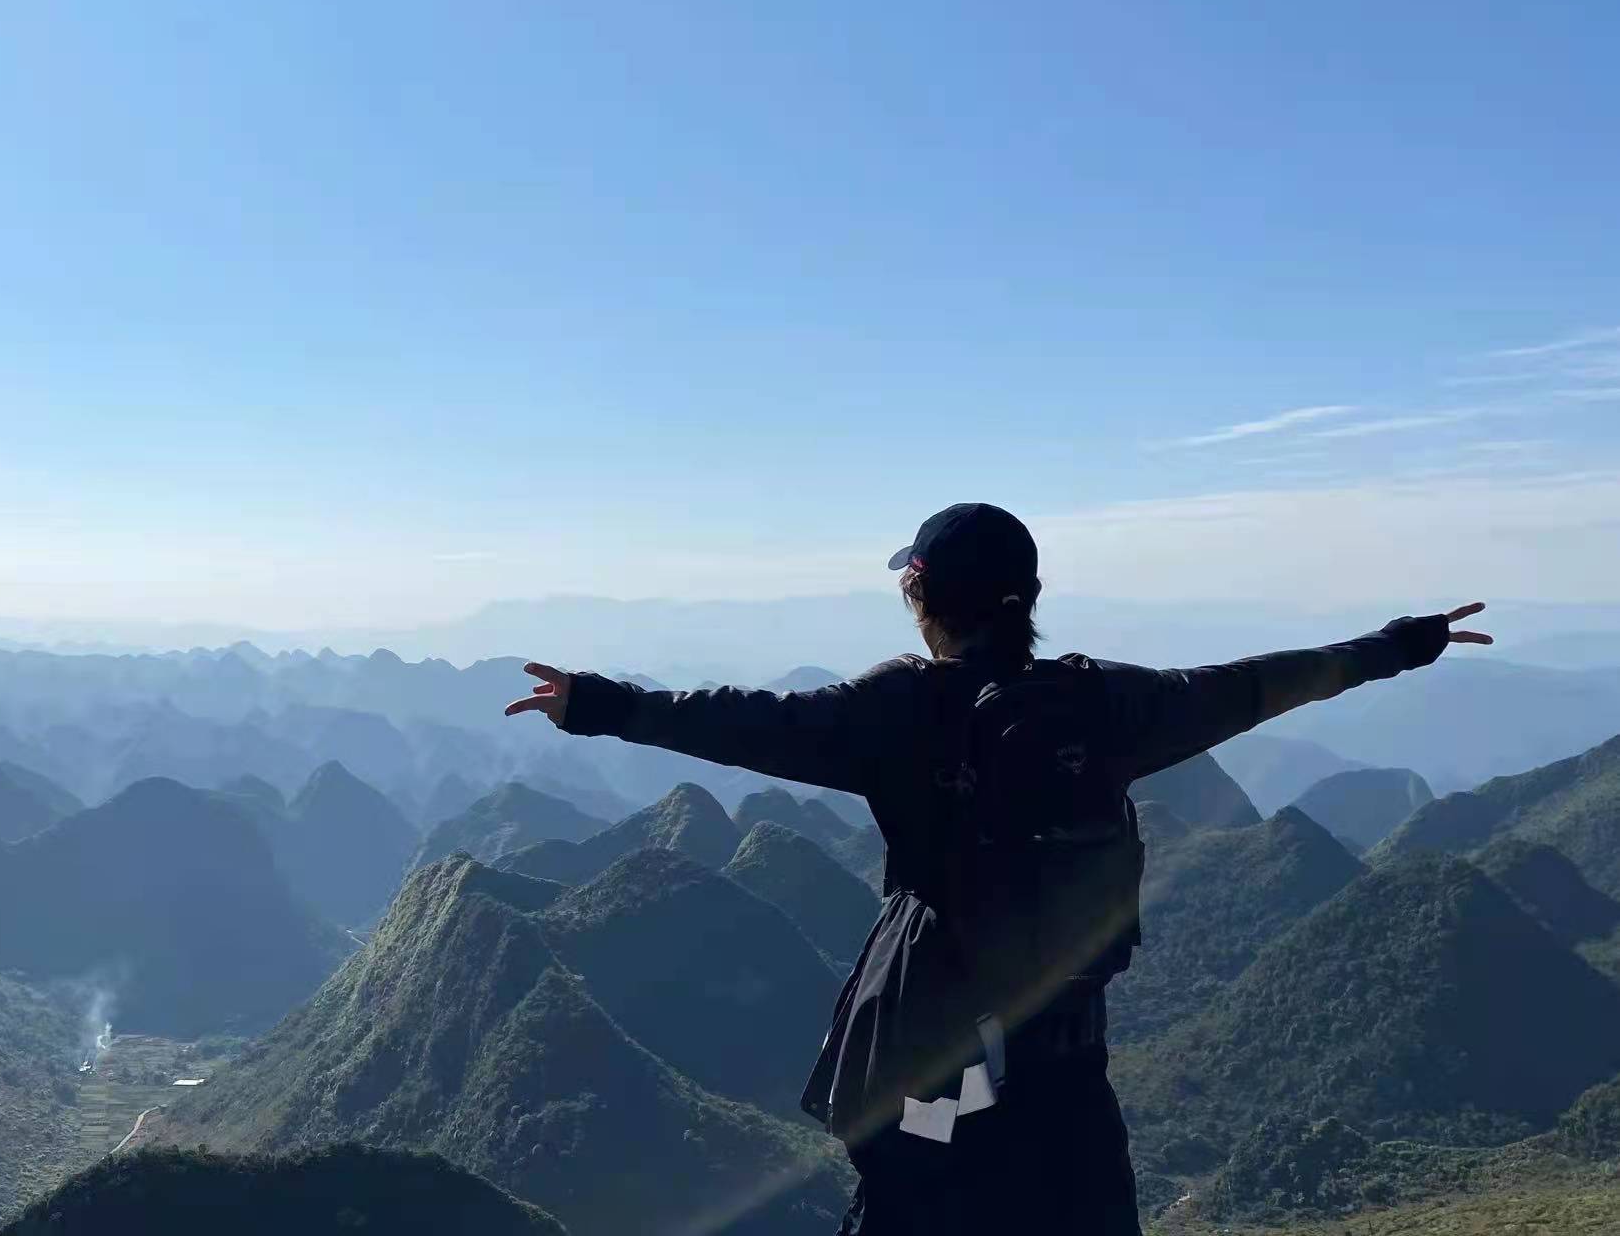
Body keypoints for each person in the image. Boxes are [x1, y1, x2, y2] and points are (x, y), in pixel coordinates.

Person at [502, 502, 1491, 1235]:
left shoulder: (899, 709)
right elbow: (1261, 684)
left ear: (922, 595)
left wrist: (600, 704)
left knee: (916, 1199)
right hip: (1065, 1067)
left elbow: (746, 722)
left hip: (941, 1063)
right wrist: (1400, 645)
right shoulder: (1104, 703)